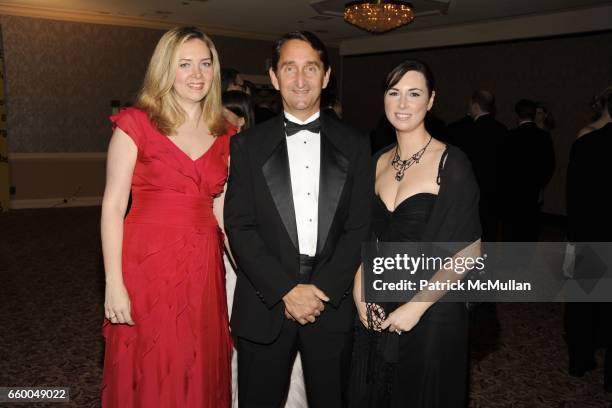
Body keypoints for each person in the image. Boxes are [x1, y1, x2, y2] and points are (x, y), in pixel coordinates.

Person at [224, 31, 372, 407]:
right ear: (274, 77)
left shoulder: (356, 144)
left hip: (331, 303)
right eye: (290, 68)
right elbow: (239, 226)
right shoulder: (246, 146)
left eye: (311, 68)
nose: (301, 79)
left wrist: (320, 289)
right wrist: (286, 290)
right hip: (266, 301)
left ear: (326, 76)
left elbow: (359, 226)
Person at [100, 26, 233, 408]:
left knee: (198, 360)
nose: (197, 74)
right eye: (184, 64)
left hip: (203, 266)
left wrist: (251, 273)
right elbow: (112, 205)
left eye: (205, 64)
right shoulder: (136, 124)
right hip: (147, 263)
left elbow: (222, 208)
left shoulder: (225, 131)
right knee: (153, 361)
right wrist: (113, 282)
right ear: (165, 70)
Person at [350, 59, 481, 407]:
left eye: (414, 93)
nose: (403, 104)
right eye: (394, 93)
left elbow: (469, 252)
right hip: (381, 301)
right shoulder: (376, 161)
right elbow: (368, 239)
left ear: (431, 100)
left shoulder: (451, 163)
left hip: (433, 307)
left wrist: (416, 309)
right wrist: (359, 289)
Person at [565, 91, 612, 392]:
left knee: (584, 300)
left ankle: (579, 360)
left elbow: (574, 195)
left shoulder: (585, 143)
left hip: (588, 232)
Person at [501, 99, 555, 241]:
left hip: (512, 193)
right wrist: (539, 184)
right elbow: (549, 166)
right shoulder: (543, 137)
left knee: (511, 232)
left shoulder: (510, 136)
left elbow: (502, 165)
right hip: (533, 193)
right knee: (529, 232)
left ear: (517, 115)